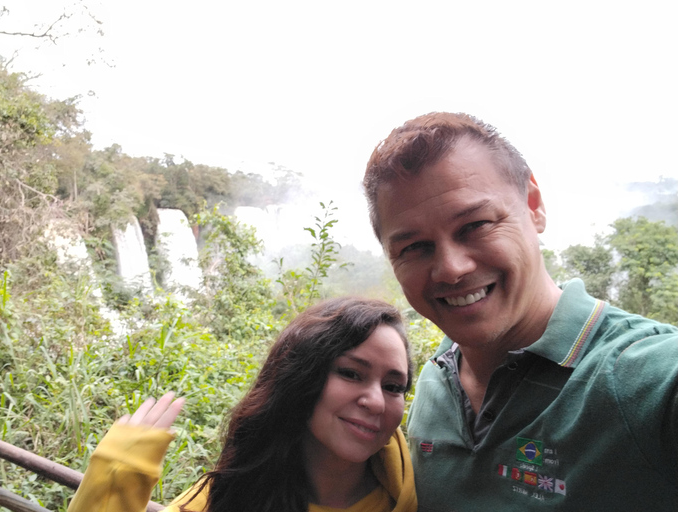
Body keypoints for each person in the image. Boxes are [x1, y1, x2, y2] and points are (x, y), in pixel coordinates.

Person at [363, 112, 678, 510]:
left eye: (475, 225)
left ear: (534, 206)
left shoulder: (643, 376)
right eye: (414, 248)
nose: (451, 268)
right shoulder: (433, 378)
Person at [67, 297, 418, 512]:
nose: (375, 401)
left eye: (393, 386)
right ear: (301, 377)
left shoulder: (422, 490)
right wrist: (116, 477)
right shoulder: (234, 498)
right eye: (351, 373)